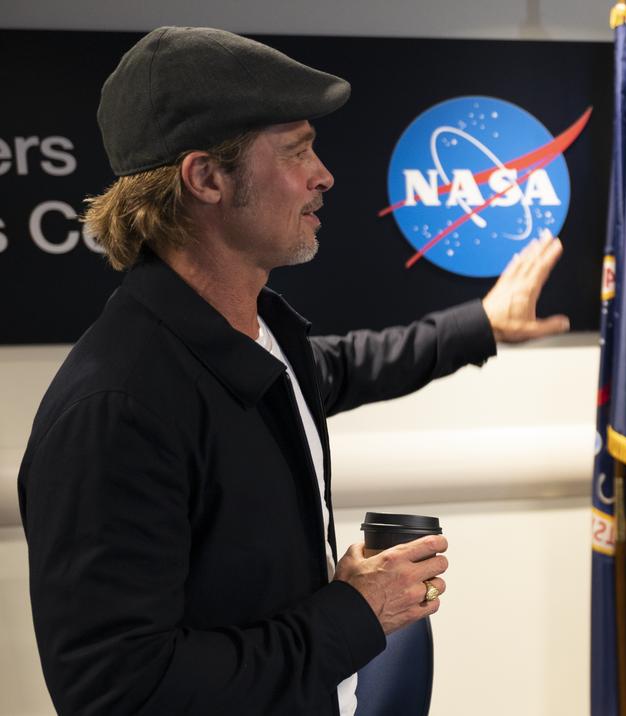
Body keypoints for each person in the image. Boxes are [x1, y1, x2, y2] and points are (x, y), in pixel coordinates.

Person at [16, 27, 569, 715]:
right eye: (296, 150)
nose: (323, 174)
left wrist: (481, 326)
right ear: (206, 178)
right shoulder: (117, 408)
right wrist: (352, 613)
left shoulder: (254, 334)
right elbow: (122, 692)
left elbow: (340, 368)